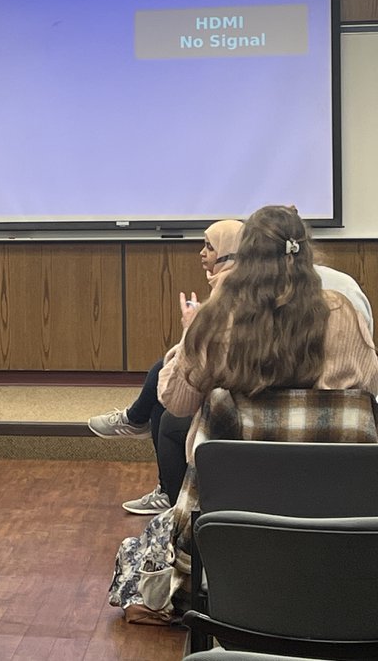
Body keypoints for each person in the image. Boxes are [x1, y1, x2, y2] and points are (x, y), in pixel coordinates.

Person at [109, 204, 378, 624]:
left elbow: (176, 403)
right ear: (306, 253)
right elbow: (368, 393)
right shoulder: (343, 311)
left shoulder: (218, 317)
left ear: (244, 256)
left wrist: (189, 333)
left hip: (237, 528)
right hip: (339, 525)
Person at [88, 220, 244, 514]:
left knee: (169, 403)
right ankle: (164, 484)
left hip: (233, 395)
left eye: (209, 247)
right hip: (228, 385)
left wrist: (191, 330)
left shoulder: (232, 291)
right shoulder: (230, 285)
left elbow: (213, 358)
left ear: (229, 253)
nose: (201, 253)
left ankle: (172, 497)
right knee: (162, 391)